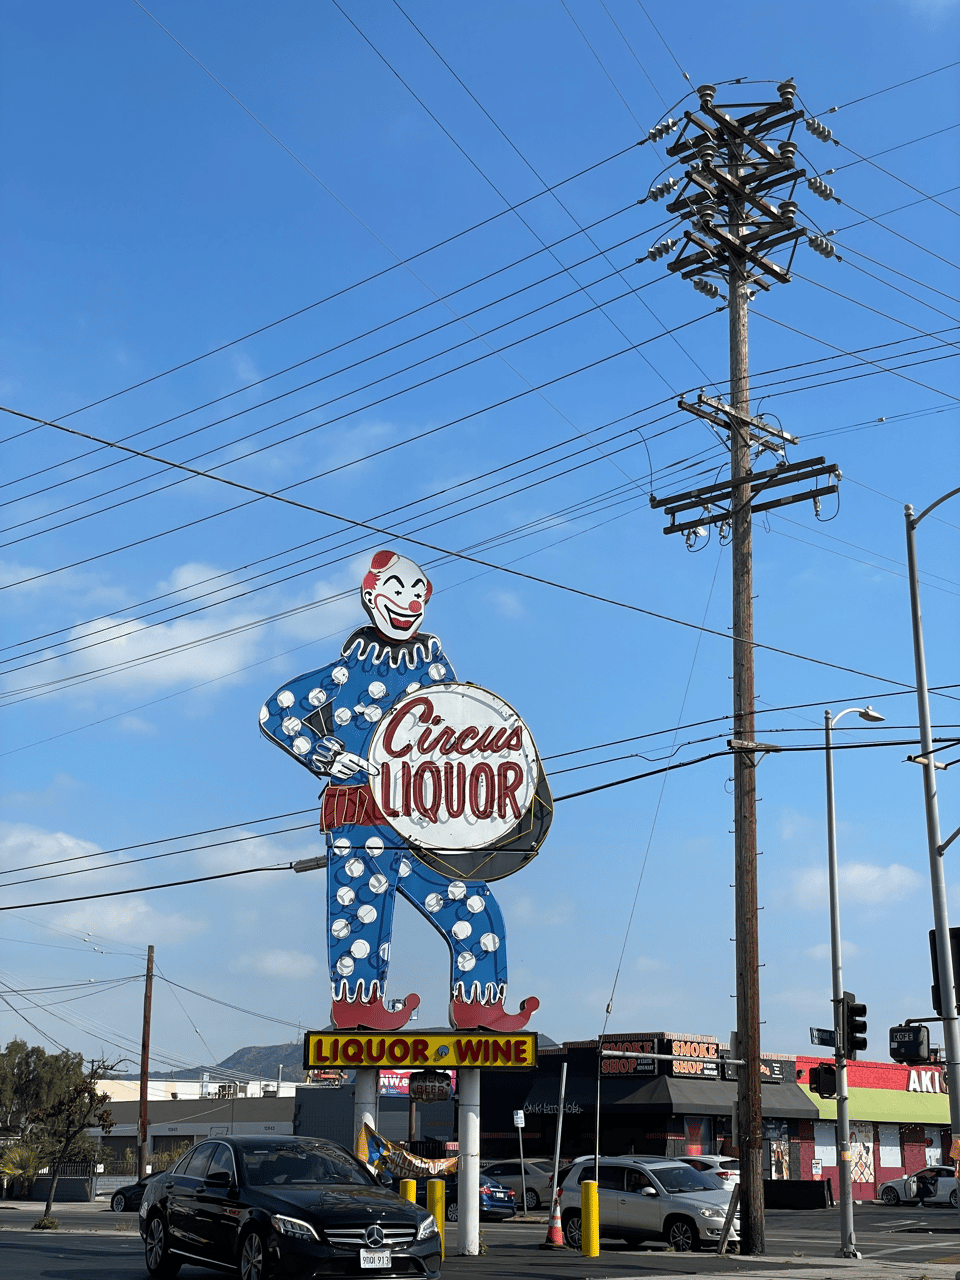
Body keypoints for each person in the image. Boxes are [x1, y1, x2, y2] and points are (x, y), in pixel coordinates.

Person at [260, 549, 539, 1033]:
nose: (409, 602)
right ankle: (358, 1008)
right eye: (397, 590)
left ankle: (478, 1005)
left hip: (423, 817)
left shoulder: (434, 669)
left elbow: (461, 728)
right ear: (371, 597)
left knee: (470, 899)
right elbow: (276, 713)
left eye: (418, 594)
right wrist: (326, 754)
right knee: (359, 914)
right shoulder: (347, 671)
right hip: (358, 813)